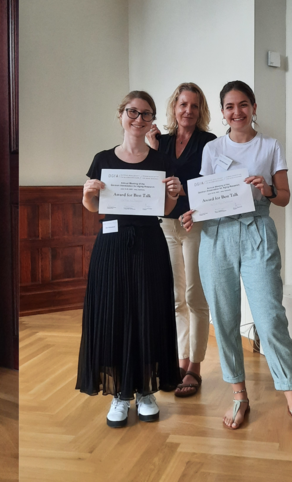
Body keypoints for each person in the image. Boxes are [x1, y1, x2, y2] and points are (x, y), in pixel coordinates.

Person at [179, 80, 292, 443]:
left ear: (254, 106)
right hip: (216, 236)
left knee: (271, 318)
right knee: (224, 319)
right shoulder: (212, 148)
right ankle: (239, 397)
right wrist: (193, 214)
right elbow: (205, 197)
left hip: (258, 230)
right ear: (222, 112)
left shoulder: (270, 146)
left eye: (243, 104)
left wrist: (267, 189)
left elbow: (285, 197)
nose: (237, 112)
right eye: (229, 107)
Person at [76, 90, 183, 428]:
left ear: (152, 120)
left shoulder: (162, 161)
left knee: (149, 312)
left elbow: (164, 210)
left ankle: (146, 391)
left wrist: (173, 195)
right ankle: (120, 394)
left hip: (150, 242)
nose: (139, 119)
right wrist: (87, 195)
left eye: (146, 114)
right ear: (121, 115)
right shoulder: (103, 159)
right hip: (112, 244)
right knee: (116, 313)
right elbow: (93, 207)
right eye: (133, 112)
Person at [146, 83, 216, 398]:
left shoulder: (209, 143)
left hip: (195, 225)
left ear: (201, 111)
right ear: (174, 107)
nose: (188, 111)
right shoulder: (160, 141)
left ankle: (195, 367)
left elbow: (213, 187)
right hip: (165, 225)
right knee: (176, 299)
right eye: (183, 104)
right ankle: (180, 360)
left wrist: (186, 193)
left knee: (195, 296)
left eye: (194, 106)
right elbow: (152, 183)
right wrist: (151, 149)